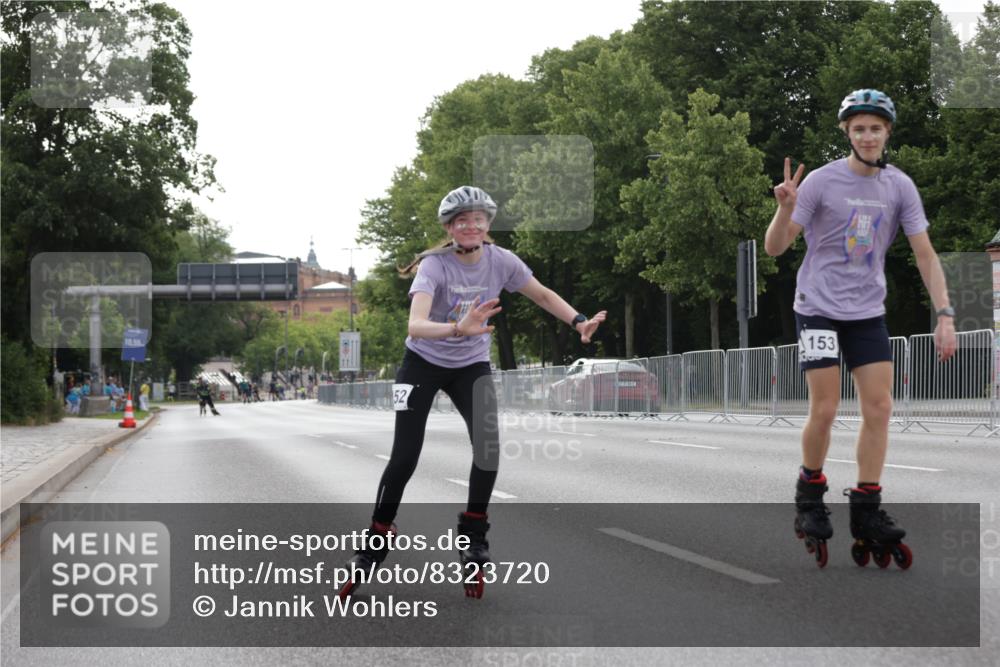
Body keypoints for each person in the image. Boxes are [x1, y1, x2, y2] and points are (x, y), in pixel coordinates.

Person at [338, 185, 606, 600]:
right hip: (421, 363)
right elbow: (415, 326)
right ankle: (375, 540)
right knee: (405, 456)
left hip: (470, 366)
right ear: (449, 228)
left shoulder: (502, 261)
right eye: (461, 221)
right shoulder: (434, 266)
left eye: (478, 219)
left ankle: (474, 535)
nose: (471, 226)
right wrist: (457, 328)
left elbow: (541, 294)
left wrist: (579, 321)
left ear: (487, 224)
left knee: (488, 447)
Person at [765, 89, 957, 568]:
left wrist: (945, 314)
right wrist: (785, 207)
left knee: (880, 407)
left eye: (875, 128)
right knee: (826, 408)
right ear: (846, 133)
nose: (867, 136)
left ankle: (867, 509)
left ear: (887, 132)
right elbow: (775, 248)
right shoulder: (821, 182)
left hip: (867, 311)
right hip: (817, 307)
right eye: (859, 129)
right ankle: (809, 494)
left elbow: (925, 255)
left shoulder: (899, 187)